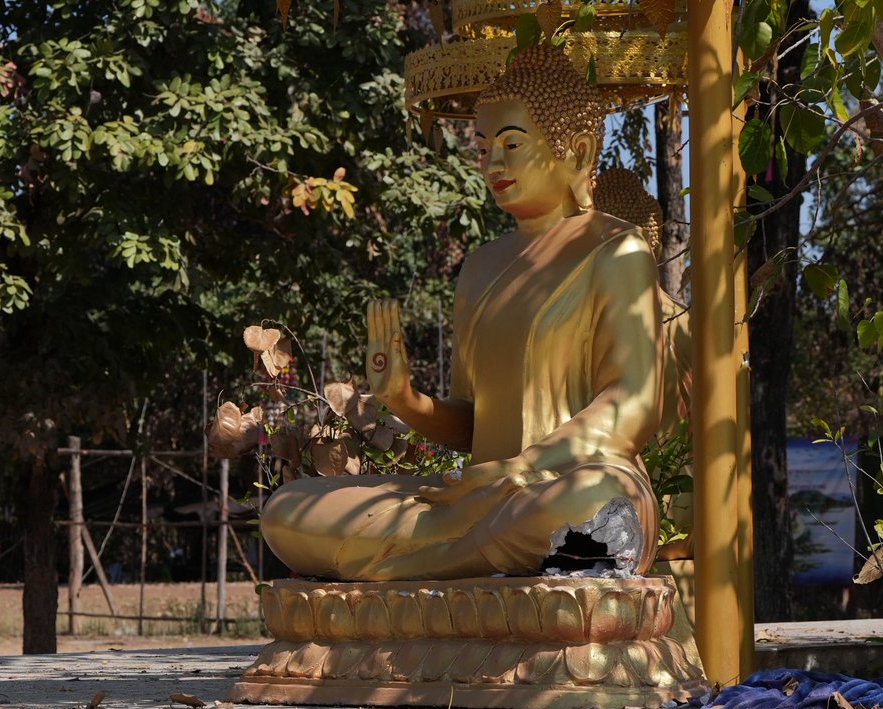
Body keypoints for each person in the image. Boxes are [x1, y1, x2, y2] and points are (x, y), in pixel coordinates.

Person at [260, 44, 663, 581]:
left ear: (580, 152)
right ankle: (467, 562)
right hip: (477, 496)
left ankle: (431, 566)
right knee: (290, 509)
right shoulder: (480, 268)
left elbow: (631, 407)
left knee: (593, 500)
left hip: (569, 480)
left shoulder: (617, 250)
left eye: (511, 144)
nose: (492, 164)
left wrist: (523, 468)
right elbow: (472, 424)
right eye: (482, 147)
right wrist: (404, 399)